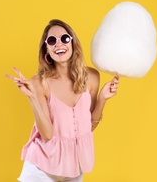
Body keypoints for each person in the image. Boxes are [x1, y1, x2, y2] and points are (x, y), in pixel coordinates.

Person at [6, 19, 119, 182]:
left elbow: (88, 127)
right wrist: (32, 98)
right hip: (40, 171)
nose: (59, 44)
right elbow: (47, 135)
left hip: (74, 169)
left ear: (73, 43)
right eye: (52, 41)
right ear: (47, 50)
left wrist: (102, 99)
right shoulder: (39, 83)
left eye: (64, 39)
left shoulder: (92, 77)